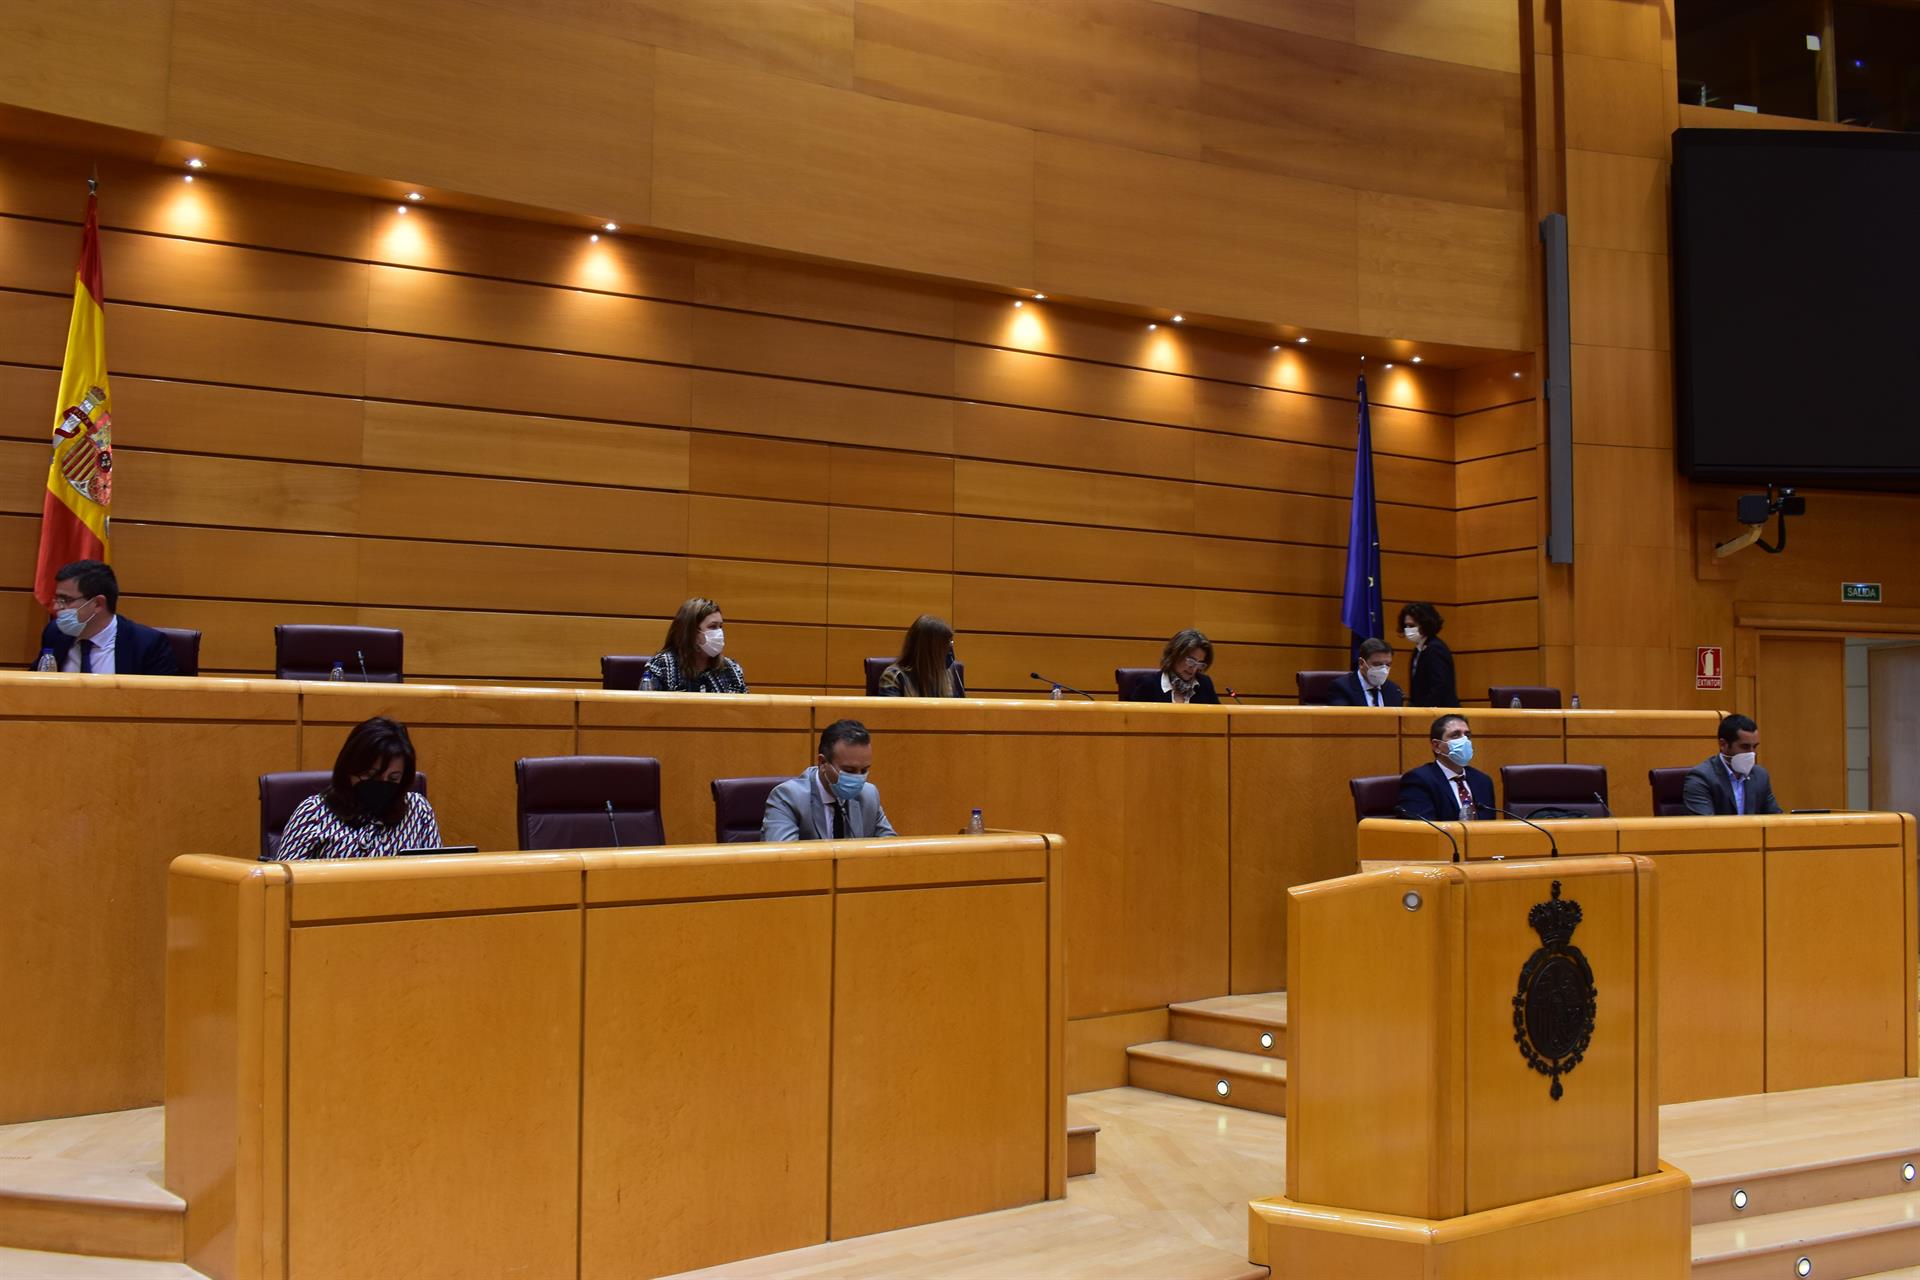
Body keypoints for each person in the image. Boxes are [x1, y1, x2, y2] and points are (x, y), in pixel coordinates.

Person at [267, 717, 442, 860]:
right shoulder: (313, 812)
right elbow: (283, 888)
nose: (381, 784)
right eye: (371, 775)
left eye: (393, 778)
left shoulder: (418, 810)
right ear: (350, 769)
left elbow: (438, 879)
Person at [33, 560, 178, 675]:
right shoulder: (55, 634)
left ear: (97, 603)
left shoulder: (147, 644)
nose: (57, 607)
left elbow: (161, 704)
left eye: (65, 600)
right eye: (57, 599)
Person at [763, 719, 896, 841]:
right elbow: (783, 860)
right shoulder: (788, 797)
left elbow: (891, 851)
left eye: (864, 770)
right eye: (849, 770)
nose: (858, 778)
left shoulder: (869, 795)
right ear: (822, 763)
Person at [1398, 714, 1496, 820]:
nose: (1464, 741)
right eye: (1455, 735)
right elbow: (1423, 830)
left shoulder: (1483, 781)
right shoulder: (1419, 780)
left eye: (1467, 735)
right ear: (1436, 746)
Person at [1683, 714, 1783, 816]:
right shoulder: (1701, 777)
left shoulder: (1760, 775)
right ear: (1723, 745)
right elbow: (1705, 825)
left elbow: (1775, 819)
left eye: (1755, 746)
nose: (1752, 753)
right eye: (1745, 747)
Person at [643, 597, 747, 693]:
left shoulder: (731, 669)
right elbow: (647, 709)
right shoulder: (662, 666)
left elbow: (747, 711)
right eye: (713, 626)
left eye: (720, 626)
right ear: (691, 632)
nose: (719, 633)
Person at [878, 614, 966, 698]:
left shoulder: (948, 675)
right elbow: (891, 713)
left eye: (951, 642)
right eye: (946, 645)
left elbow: (960, 712)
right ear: (929, 649)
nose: (950, 650)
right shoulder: (894, 677)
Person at [1133, 628, 1221, 704]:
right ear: (1175, 654)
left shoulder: (1204, 684)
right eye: (1190, 661)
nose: (1194, 668)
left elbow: (1220, 719)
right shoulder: (1148, 685)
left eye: (1199, 664)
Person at [1397, 602, 1457, 708]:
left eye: (1412, 625)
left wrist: (1424, 709)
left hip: (1438, 712)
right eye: (1406, 626)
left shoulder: (1435, 649)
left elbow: (1440, 686)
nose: (1408, 630)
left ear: (1425, 624)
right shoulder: (1418, 649)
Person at [1327, 637, 1405, 707]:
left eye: (1387, 664)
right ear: (1361, 663)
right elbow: (1343, 720)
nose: (1383, 670)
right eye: (1377, 664)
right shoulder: (1342, 688)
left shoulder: (1394, 690)